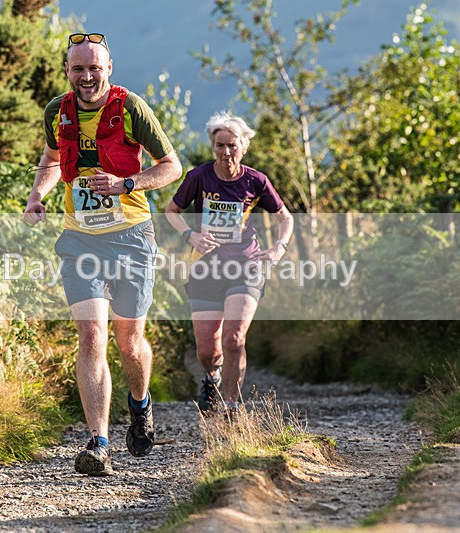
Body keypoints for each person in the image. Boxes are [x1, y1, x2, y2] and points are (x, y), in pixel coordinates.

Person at [23, 32, 182, 476]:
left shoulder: (131, 108)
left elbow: (172, 166)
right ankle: (98, 443)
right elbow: (53, 158)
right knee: (92, 336)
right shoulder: (57, 111)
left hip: (131, 236)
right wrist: (38, 195)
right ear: (68, 72)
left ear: (109, 69)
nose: (87, 76)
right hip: (80, 239)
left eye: (95, 68)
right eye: (79, 69)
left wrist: (126, 183)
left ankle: (141, 403)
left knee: (129, 344)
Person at [165, 112, 293, 417]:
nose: (226, 152)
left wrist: (279, 248)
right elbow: (172, 210)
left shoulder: (256, 181)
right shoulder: (198, 177)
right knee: (207, 351)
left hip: (246, 265)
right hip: (206, 268)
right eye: (220, 145)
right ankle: (213, 376)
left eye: (232, 146)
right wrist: (190, 235)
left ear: (243, 147)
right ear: (213, 146)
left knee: (234, 338)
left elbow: (284, 217)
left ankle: (233, 407)